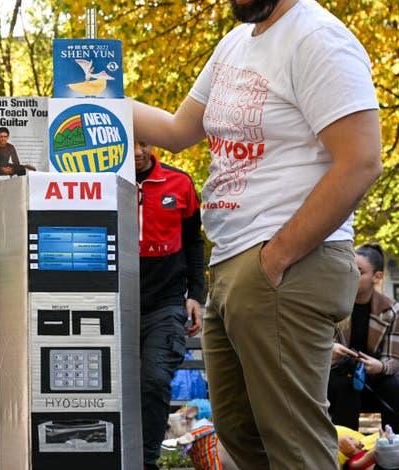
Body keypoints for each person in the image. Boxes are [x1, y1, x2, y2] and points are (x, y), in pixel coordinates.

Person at [131, 0, 382, 467]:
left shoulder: (316, 37)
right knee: (244, 442)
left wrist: (276, 257)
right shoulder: (235, 44)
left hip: (285, 264)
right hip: (233, 264)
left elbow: (363, 159)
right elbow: (177, 129)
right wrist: (90, 103)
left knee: (295, 449)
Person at [135, 141, 205, 469]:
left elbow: (193, 241)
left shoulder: (180, 183)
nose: (136, 150)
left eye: (143, 142)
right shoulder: (100, 179)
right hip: (111, 300)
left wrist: (196, 295)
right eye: (130, 141)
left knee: (153, 380)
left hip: (164, 303)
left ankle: (148, 462)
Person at [329, 243, 399, 430]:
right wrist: (330, 351)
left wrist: (380, 366)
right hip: (339, 373)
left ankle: (392, 450)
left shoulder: (392, 310)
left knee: (393, 386)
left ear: (377, 277)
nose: (351, 275)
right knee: (345, 388)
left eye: (359, 271)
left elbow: (393, 358)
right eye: (348, 268)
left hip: (373, 376)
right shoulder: (333, 304)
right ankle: (344, 451)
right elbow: (316, 344)